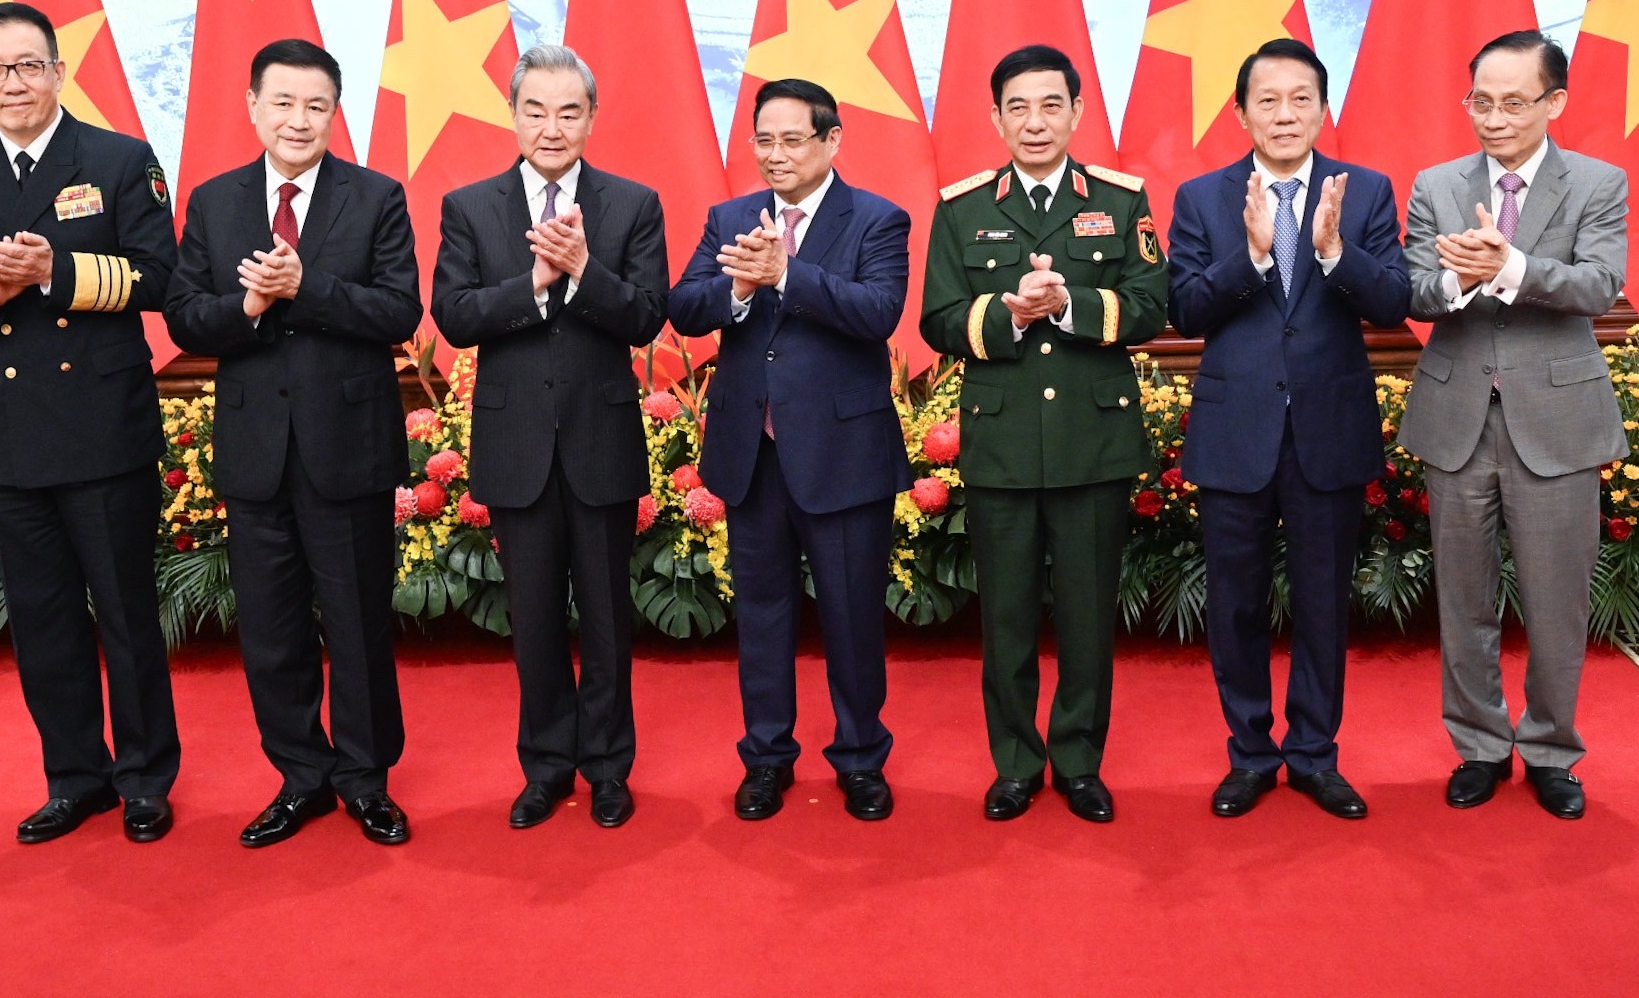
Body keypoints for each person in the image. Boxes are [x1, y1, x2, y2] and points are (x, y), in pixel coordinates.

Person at [0, 1, 179, 844]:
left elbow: (160, 276)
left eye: (28, 64)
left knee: (126, 614)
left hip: (103, 424)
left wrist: (56, 270)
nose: (13, 82)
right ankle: (74, 777)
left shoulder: (119, 158)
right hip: (13, 429)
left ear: (59, 70)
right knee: (43, 616)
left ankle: (144, 779)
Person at [164, 39, 419, 848]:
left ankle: (366, 780)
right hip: (256, 452)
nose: (298, 119)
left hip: (349, 447)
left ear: (334, 112)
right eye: (283, 102)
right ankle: (301, 776)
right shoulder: (214, 201)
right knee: (271, 630)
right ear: (253, 106)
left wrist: (307, 288)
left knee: (358, 625)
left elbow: (399, 311)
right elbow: (183, 318)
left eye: (316, 105)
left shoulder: (375, 196)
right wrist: (246, 306)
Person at [919, 45, 1167, 823]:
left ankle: (1080, 762)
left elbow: (1152, 305)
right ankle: (1017, 763)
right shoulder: (962, 207)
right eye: (1018, 107)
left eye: (1051, 104)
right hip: (1001, 445)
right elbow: (937, 320)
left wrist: (1068, 306)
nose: (1035, 121)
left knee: (1088, 617)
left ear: (1077, 111)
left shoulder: (1121, 200)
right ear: (996, 117)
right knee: (1007, 618)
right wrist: (1011, 315)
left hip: (1092, 442)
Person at [1166, 38, 1410, 820]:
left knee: (1323, 602)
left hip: (1327, 429)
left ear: (1323, 108)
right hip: (1235, 430)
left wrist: (1336, 253)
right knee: (1235, 604)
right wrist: (1251, 257)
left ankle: (1313, 754)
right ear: (1240, 113)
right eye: (1266, 100)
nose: (1284, 113)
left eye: (1301, 98)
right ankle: (1249, 754)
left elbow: (1393, 302)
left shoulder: (1365, 191)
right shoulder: (1202, 197)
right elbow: (1184, 309)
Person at [431, 45, 668, 830]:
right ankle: (544, 767)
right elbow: (454, 314)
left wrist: (585, 271)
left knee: (605, 617)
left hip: (601, 442)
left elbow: (646, 316)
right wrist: (533, 285)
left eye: (569, 111)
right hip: (517, 446)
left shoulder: (632, 204)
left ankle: (607, 767)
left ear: (592, 118)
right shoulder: (471, 206)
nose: (552, 127)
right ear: (513, 114)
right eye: (535, 110)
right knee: (531, 620)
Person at [669, 78, 911, 822]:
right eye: (763, 140)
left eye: (792, 140)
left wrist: (787, 275)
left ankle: (861, 758)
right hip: (754, 454)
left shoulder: (877, 218)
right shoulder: (730, 217)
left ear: (831, 140)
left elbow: (879, 312)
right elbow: (685, 306)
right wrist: (740, 290)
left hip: (843, 455)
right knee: (763, 615)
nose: (775, 155)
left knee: (852, 617)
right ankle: (766, 758)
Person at [1402, 30, 1627, 820]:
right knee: (1463, 598)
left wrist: (1512, 267)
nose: (1493, 119)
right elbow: (1412, 290)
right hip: (1457, 417)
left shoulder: (1597, 181)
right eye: (1480, 102)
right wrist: (1455, 281)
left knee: (1557, 602)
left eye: (1513, 103)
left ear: (1553, 102)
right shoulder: (1436, 183)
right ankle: (1480, 745)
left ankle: (1552, 751)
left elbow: (1600, 284)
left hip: (1557, 420)